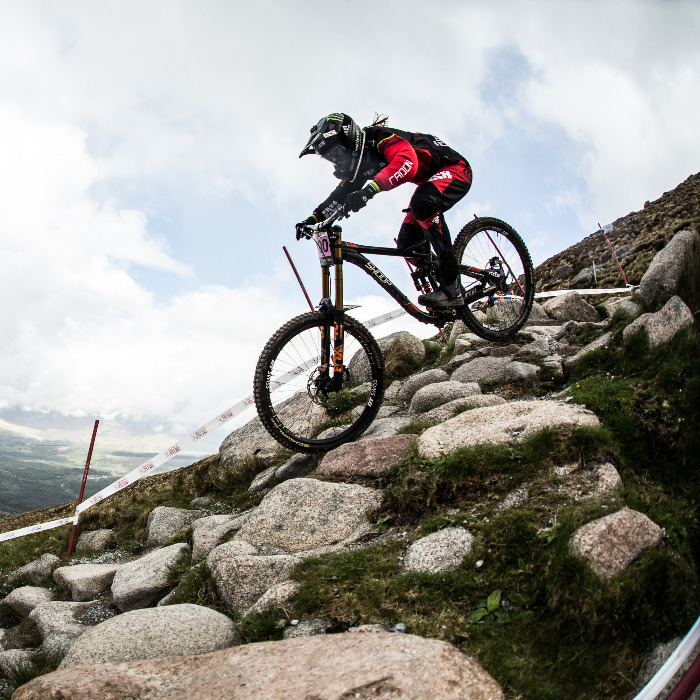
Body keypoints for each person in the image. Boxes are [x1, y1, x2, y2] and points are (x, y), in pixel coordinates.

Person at [297, 112, 473, 308]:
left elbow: (408, 162)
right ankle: (438, 274)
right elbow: (340, 195)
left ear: (348, 139)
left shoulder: (381, 138)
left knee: (422, 204)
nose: (335, 160)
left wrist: (369, 191)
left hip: (455, 168)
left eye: (336, 152)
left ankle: (452, 288)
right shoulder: (361, 162)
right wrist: (312, 219)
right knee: (407, 244)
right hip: (429, 180)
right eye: (330, 157)